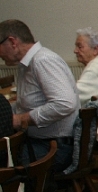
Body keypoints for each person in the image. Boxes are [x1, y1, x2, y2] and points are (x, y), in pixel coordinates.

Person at [0, 20, 79, 173]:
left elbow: (64, 103)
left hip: (55, 148)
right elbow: (26, 104)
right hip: (46, 143)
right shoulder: (28, 64)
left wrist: (21, 119)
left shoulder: (42, 60)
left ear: (12, 42)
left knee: (3, 162)